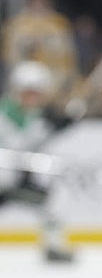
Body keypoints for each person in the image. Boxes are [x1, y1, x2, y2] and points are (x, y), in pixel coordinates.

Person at [0, 61, 74, 262]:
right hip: (4, 175)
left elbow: (35, 149)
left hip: (16, 179)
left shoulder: (37, 116)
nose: (33, 98)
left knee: (55, 197)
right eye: (29, 92)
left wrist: (59, 126)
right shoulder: (4, 113)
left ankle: (53, 245)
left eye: (37, 93)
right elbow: (16, 146)